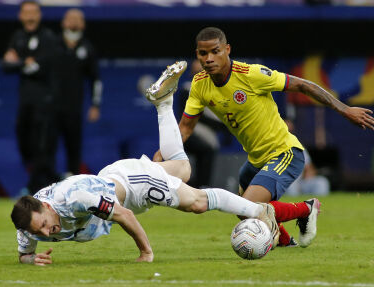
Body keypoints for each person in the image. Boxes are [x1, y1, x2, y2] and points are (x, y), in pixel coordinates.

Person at [10, 61, 279, 266]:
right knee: (183, 169)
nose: (48, 231)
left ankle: (259, 211)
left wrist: (146, 253)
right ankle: (163, 103)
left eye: (45, 223)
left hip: (132, 187)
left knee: (196, 202)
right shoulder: (29, 225)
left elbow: (124, 216)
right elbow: (24, 253)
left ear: (47, 206)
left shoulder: (76, 198)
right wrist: (31, 259)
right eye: (40, 231)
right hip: (114, 178)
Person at [153, 27, 374, 247]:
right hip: (255, 160)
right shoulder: (200, 85)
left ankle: (306, 209)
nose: (209, 58)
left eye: (215, 51)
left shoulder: (252, 74)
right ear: (197, 54)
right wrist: (164, 152)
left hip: (284, 153)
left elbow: (303, 85)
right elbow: (185, 128)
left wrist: (345, 109)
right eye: (203, 53)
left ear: (227, 50)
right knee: (242, 211)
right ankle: (286, 243)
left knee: (248, 204)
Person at [3, 0, 59, 194]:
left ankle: (36, 188)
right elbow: (6, 66)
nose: (30, 16)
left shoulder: (48, 37)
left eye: (33, 12)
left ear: (39, 15)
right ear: (20, 16)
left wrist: (19, 61)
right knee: (23, 140)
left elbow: (43, 66)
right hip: (25, 100)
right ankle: (56, 179)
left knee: (41, 146)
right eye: (26, 12)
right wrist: (23, 63)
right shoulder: (17, 37)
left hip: (44, 100)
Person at [54, 8, 103, 176]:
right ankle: (44, 185)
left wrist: (95, 105)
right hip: (51, 107)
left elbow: (95, 79)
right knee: (46, 148)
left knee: (73, 148)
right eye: (70, 18)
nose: (74, 21)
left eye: (78, 18)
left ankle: (72, 183)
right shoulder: (53, 44)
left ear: (83, 24)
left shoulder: (87, 48)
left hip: (74, 108)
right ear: (63, 22)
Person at [177, 60, 224, 188]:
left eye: (202, 72)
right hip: (189, 132)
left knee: (208, 149)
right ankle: (201, 185)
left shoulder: (215, 89)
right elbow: (195, 115)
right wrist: (220, 125)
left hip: (208, 133)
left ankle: (201, 185)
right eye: (196, 72)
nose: (199, 75)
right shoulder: (187, 88)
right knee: (206, 150)